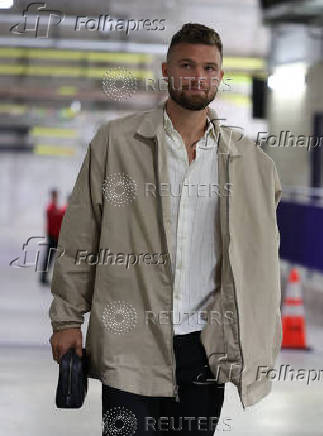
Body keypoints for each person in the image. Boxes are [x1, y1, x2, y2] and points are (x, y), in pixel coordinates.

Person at [49, 23, 282, 435]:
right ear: (166, 71)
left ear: (221, 77)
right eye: (187, 65)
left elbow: (260, 258)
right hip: (130, 341)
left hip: (204, 347)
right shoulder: (117, 143)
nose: (198, 77)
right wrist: (67, 320)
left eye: (210, 68)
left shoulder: (250, 162)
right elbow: (80, 236)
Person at [39, 188, 61, 286]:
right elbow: (56, 215)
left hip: (56, 236)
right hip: (52, 237)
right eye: (55, 195)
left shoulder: (55, 208)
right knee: (48, 258)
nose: (56, 197)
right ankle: (43, 277)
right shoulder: (50, 208)